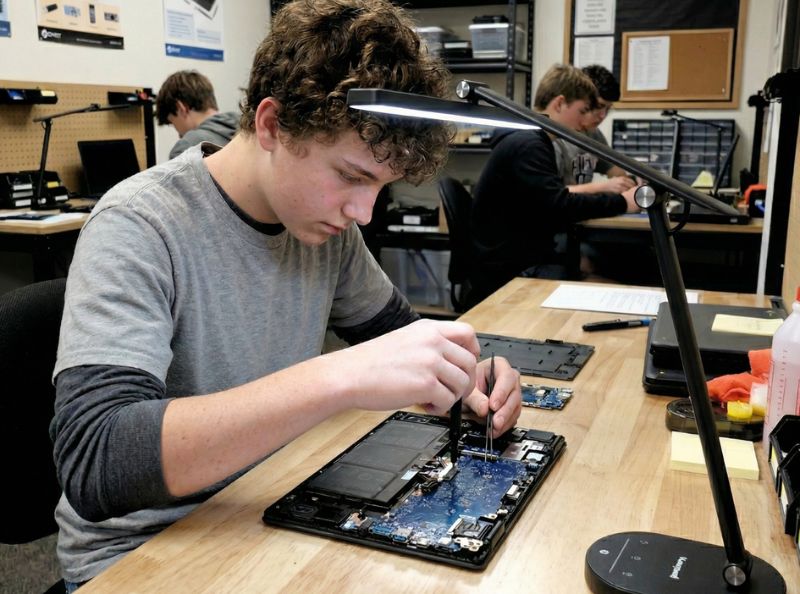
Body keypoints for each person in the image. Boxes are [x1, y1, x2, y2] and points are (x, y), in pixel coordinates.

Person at [51, 1, 523, 589]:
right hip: (147, 555)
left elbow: (397, 340)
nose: (363, 212)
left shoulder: (328, 231)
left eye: (380, 187)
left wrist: (470, 377)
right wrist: (338, 376)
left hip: (274, 505)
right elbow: (96, 461)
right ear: (272, 125)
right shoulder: (140, 223)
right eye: (351, 176)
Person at [467, 64, 639, 305]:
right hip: (511, 270)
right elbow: (559, 205)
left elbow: (552, 203)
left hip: (526, 257)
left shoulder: (536, 140)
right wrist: (622, 203)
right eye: (583, 110)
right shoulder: (528, 145)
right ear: (559, 104)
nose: (586, 120)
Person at [552, 64, 634, 195]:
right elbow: (547, 195)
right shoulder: (553, 139)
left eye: (607, 109)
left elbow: (617, 173)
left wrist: (634, 181)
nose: (603, 116)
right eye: (599, 106)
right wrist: (602, 187)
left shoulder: (593, 134)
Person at [155, 69, 239, 159]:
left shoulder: (187, 148)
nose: (179, 135)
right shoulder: (248, 128)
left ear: (181, 108)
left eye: (173, 123)